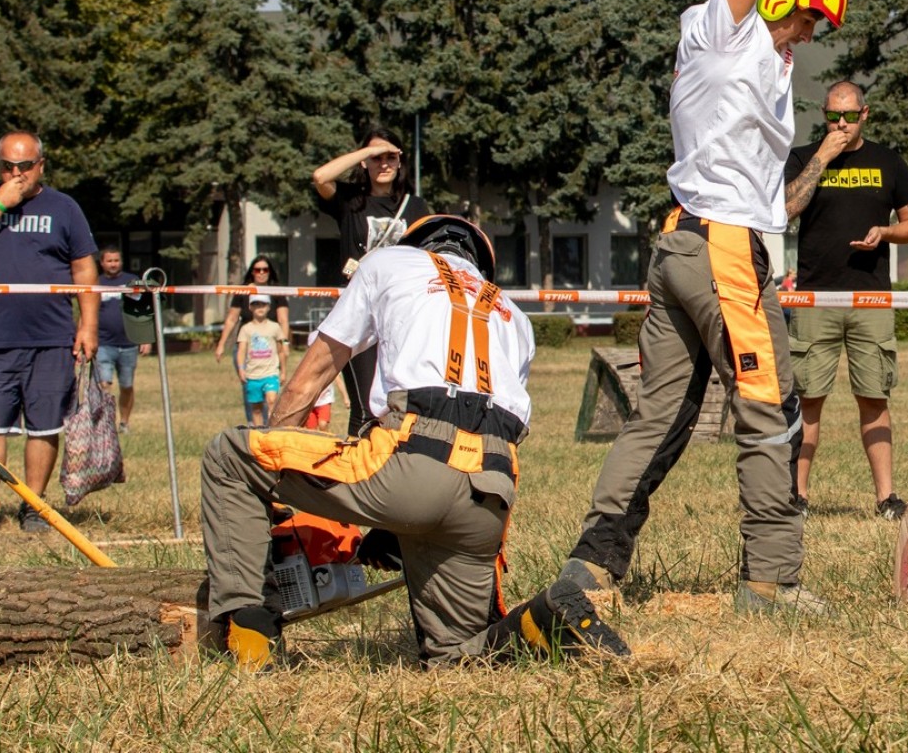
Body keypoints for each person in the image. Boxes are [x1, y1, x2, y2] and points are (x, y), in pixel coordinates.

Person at [555, 0, 852, 616]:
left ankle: (591, 564)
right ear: (780, 1)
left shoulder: (761, 42)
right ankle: (772, 581)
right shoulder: (725, 31)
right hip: (724, 252)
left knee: (658, 417)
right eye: (807, 21)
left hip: (681, 242)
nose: (808, 37)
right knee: (768, 411)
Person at [200, 215, 626, 669]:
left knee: (231, 455)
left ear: (417, 244)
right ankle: (541, 623)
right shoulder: (514, 315)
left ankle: (251, 643)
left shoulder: (387, 263)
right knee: (455, 657)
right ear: (482, 263)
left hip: (411, 452)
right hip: (490, 490)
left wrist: (278, 497)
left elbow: (313, 377)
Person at [784, 79, 908, 520]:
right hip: (814, 298)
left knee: (874, 397)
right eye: (831, 116)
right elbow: (785, 208)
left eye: (848, 115)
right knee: (808, 399)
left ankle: (886, 499)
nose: (840, 123)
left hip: (870, 298)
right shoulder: (805, 157)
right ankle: (797, 497)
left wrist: (886, 232)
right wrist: (823, 156)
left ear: (865, 114)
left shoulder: (888, 162)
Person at [0, 132, 98, 533]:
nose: (16, 174)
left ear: (41, 165)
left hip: (51, 338)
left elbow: (84, 270)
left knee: (45, 425)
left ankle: (34, 505)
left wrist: (88, 324)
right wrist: (1, 202)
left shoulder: (64, 208)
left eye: (24, 166)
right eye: (8, 167)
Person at [312, 129, 432, 434]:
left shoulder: (416, 207)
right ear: (365, 162)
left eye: (391, 156)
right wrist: (366, 151)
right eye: (377, 157)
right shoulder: (350, 201)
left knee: (401, 402)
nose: (384, 163)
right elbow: (320, 176)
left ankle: (392, 473)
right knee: (365, 407)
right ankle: (356, 475)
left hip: (402, 315)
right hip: (359, 314)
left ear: (401, 161)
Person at [93, 246, 150, 434]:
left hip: (128, 344)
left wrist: (145, 338)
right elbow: (87, 313)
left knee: (126, 386)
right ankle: (105, 423)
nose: (113, 264)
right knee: (104, 385)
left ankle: (124, 422)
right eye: (109, 261)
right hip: (103, 343)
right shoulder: (95, 282)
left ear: (121, 261)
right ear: (102, 262)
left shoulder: (131, 282)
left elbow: (142, 310)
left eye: (116, 260)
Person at [234, 295, 287, 427]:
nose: (260, 308)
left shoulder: (275, 327)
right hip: (253, 374)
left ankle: (271, 429)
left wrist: (283, 371)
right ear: (250, 307)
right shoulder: (246, 329)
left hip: (271, 373)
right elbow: (241, 351)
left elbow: (281, 351)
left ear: (269, 307)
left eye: (263, 304)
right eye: (256, 304)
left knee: (272, 401)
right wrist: (241, 369)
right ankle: (259, 432)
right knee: (256, 408)